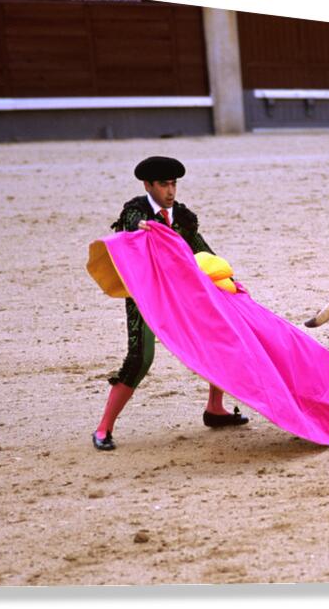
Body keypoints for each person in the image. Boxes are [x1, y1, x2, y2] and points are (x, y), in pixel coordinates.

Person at [92, 155, 249, 451]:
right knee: (140, 358)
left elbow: (202, 251)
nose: (171, 191)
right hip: (145, 296)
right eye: (164, 185)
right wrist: (140, 228)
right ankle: (103, 428)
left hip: (182, 295)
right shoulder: (135, 212)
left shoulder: (182, 216)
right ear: (148, 185)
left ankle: (215, 409)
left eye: (174, 184)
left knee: (221, 335)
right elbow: (127, 230)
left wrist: (230, 280)